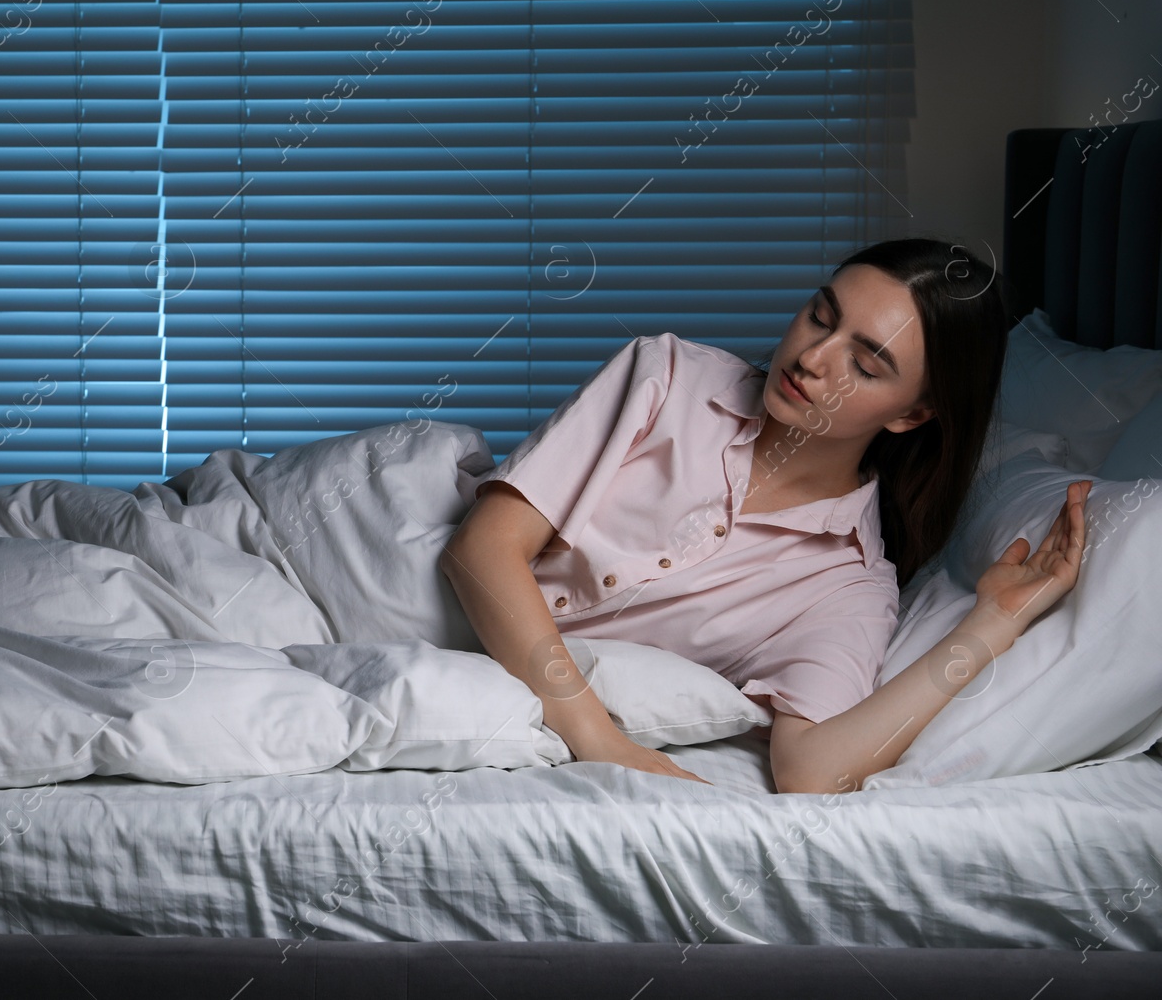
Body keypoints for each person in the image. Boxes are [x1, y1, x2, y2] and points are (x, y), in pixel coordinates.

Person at [438, 238, 1092, 793]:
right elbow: (482, 550)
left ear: (911, 414)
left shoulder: (848, 586)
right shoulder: (665, 375)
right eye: (820, 316)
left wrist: (991, 625)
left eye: (863, 363)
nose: (812, 358)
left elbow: (811, 770)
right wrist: (600, 740)